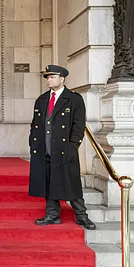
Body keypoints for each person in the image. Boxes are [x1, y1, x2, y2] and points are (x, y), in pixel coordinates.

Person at [28, 64, 96, 230]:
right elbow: (35, 124)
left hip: (64, 149)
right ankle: (53, 214)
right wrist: (33, 142)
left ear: (62, 79)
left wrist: (72, 147)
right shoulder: (42, 99)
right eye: (47, 77)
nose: (48, 80)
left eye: (52, 77)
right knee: (48, 181)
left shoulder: (74, 99)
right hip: (44, 148)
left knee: (71, 182)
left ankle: (81, 215)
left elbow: (78, 126)